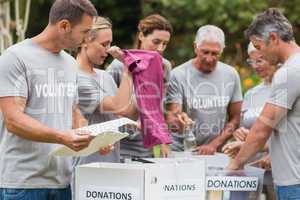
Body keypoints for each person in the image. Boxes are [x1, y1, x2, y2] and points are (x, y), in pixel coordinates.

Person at [0, 1, 98, 199]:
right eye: (85, 31)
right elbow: (13, 121)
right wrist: (62, 137)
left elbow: (72, 111)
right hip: (23, 184)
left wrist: (93, 138)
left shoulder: (70, 63)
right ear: (64, 26)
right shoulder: (15, 57)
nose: (88, 39)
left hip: (62, 182)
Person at [227, 8, 300, 200]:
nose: (260, 55)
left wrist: (234, 166)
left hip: (294, 182)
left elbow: (262, 128)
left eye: (259, 47)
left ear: (274, 38)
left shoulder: (289, 72)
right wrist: (249, 145)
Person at [166, 25, 243, 155]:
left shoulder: (231, 74)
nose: (209, 58)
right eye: (205, 52)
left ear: (222, 50)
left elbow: (235, 117)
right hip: (183, 150)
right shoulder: (178, 75)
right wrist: (179, 119)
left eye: (215, 53)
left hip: (216, 151)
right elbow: (174, 114)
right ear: (195, 47)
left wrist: (214, 145)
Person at [106, 14, 173, 158]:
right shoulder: (118, 65)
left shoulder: (164, 66)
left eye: (165, 44)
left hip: (145, 148)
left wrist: (163, 141)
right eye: (156, 42)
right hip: (119, 146)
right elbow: (107, 110)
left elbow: (158, 107)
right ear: (141, 36)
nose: (160, 48)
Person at [223, 42, 277, 200]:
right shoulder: (251, 94)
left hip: (277, 168)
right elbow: (246, 129)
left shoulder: (286, 89)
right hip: (250, 169)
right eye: (251, 61)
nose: (254, 66)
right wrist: (240, 134)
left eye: (259, 60)